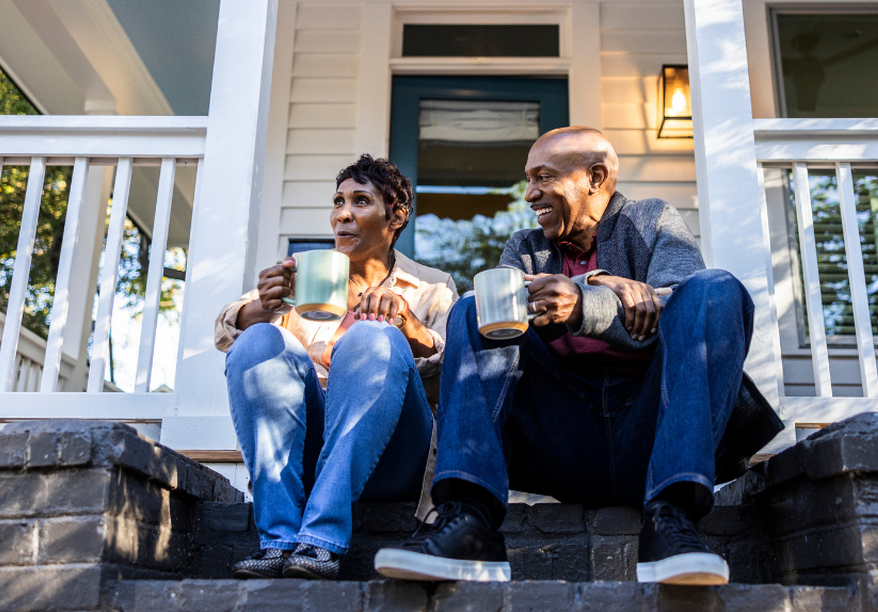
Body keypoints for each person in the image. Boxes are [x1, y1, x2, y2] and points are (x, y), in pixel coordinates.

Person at [373, 127, 782, 585]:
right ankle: (468, 524)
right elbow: (503, 326)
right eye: (528, 179)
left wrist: (584, 305)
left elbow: (685, 310)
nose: (529, 193)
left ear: (595, 177)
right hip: (562, 439)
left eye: (543, 177)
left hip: (651, 438)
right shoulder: (526, 248)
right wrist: (606, 282)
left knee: (716, 287)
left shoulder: (651, 221)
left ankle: (672, 522)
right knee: (474, 307)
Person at [216, 155, 457, 580]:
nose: (342, 214)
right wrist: (261, 306)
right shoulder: (302, 278)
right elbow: (227, 336)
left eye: (360, 201)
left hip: (394, 458)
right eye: (338, 202)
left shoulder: (433, 288)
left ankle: (321, 539)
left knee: (372, 336)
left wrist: (407, 324)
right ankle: (278, 540)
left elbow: (453, 377)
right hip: (306, 454)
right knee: (259, 340)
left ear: (395, 216)